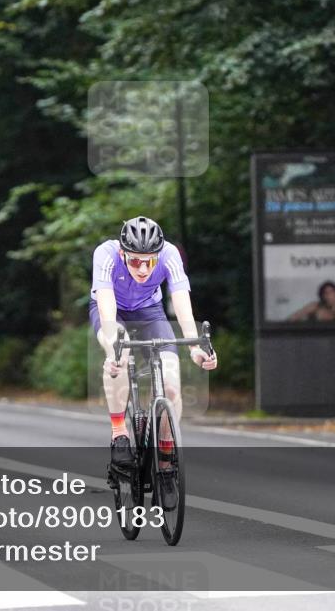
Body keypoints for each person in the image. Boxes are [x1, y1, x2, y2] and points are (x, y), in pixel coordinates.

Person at [90, 217, 217, 508]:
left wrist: (195, 344)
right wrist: (113, 350)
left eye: (150, 261)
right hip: (113, 311)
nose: (144, 269)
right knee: (119, 352)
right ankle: (120, 432)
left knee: (172, 387)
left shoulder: (170, 254)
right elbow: (107, 309)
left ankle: (167, 458)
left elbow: (181, 298)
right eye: (135, 262)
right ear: (123, 253)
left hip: (150, 311)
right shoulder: (105, 254)